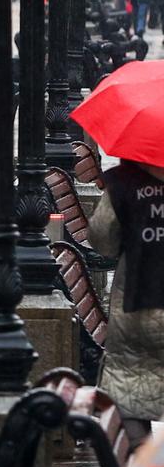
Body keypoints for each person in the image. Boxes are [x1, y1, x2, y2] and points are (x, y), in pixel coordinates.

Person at [89, 160, 164, 452]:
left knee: (128, 382)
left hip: (137, 304)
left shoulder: (123, 181)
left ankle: (142, 455)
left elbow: (103, 241)